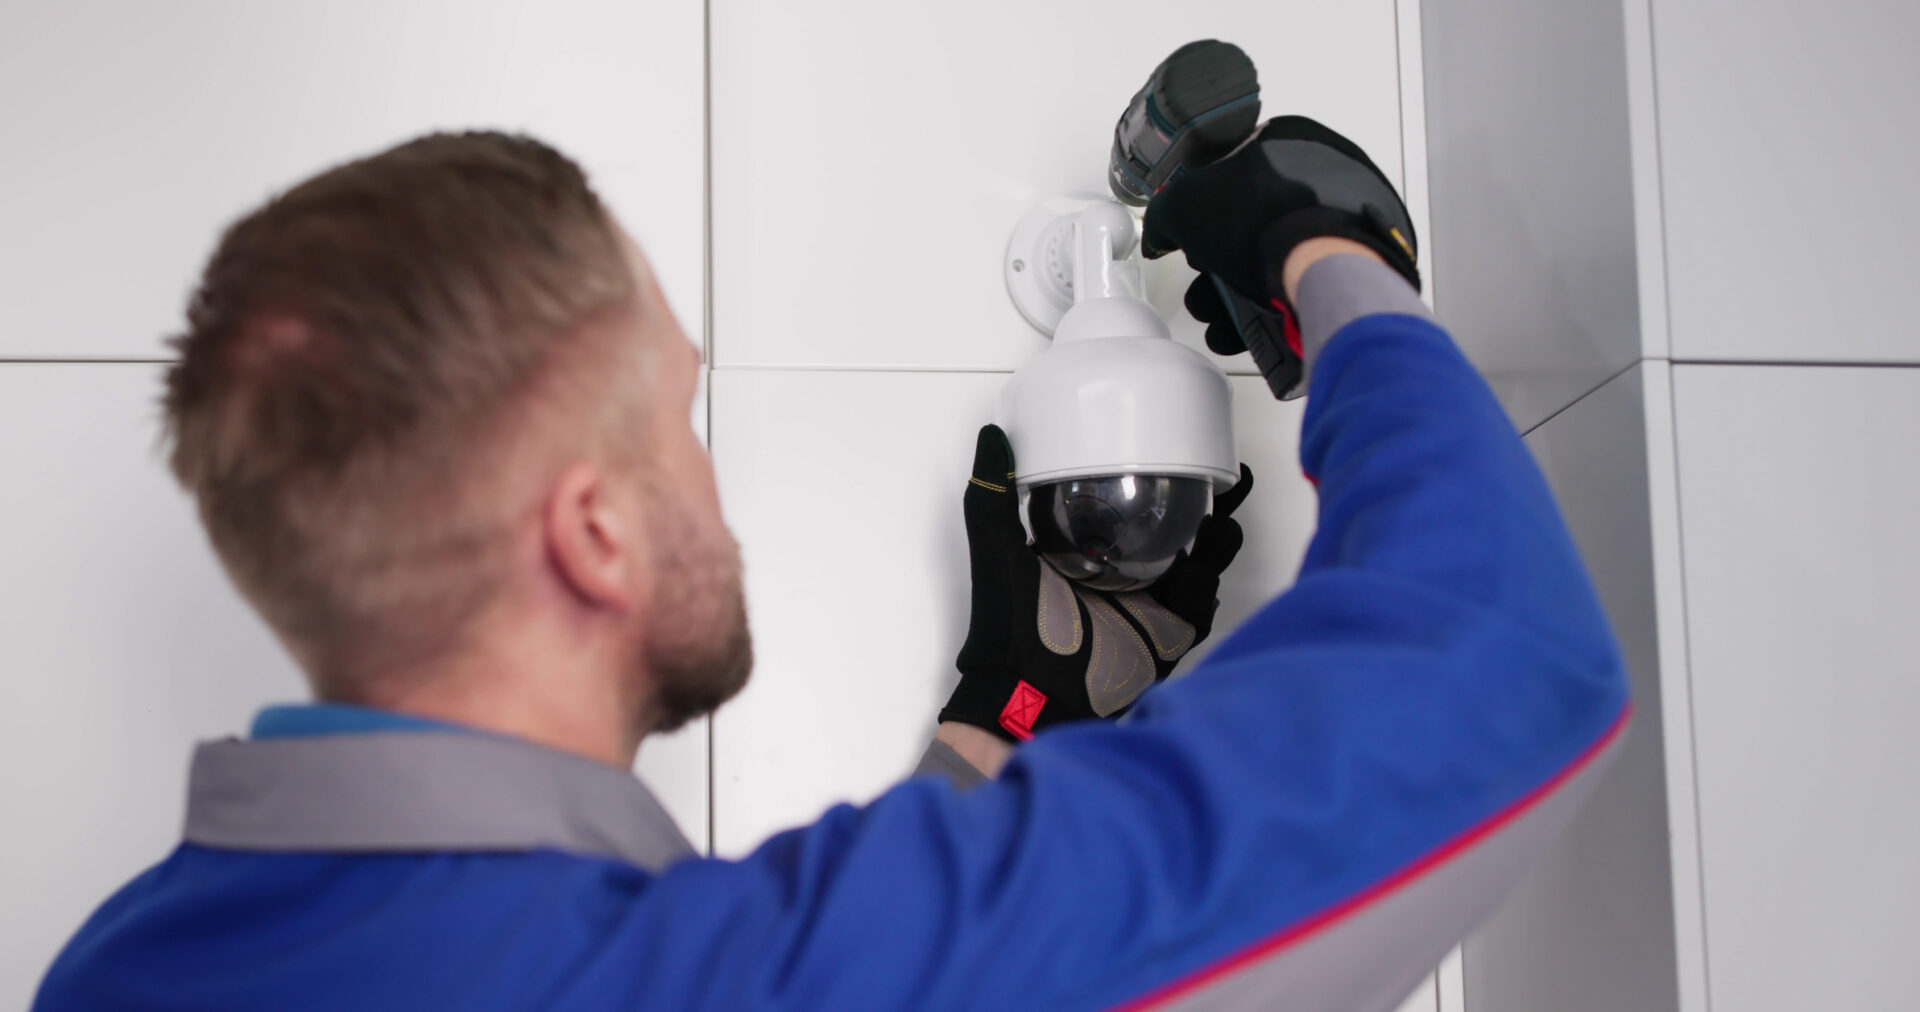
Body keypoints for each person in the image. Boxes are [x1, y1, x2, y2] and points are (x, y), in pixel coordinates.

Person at [35, 117, 1629, 1011]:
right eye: (679, 416)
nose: (707, 491)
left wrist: (1009, 715)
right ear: (593, 529)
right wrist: (1335, 262)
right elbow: (1500, 665)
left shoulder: (117, 969)